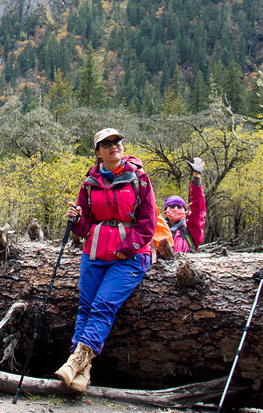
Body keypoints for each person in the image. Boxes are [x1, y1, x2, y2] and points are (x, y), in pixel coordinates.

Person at [54, 128, 157, 392]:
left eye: (117, 141)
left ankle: (75, 361)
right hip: (96, 251)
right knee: (86, 306)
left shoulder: (139, 178)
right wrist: (76, 219)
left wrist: (129, 247)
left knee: (102, 305)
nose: (114, 146)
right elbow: (82, 227)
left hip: (129, 256)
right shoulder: (89, 182)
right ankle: (82, 373)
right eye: (107, 143)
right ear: (98, 152)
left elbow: (148, 222)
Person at [155, 157, 206, 258]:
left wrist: (196, 178)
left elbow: (198, 208)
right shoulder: (157, 229)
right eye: (172, 206)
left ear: (185, 212)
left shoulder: (192, 231)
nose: (175, 209)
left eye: (179, 207)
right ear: (165, 211)